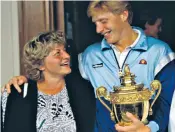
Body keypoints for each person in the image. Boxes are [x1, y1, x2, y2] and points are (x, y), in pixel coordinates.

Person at [2, 1, 175, 132]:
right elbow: (53, 70)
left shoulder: (159, 52)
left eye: (103, 21)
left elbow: (167, 101)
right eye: (95, 23)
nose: (99, 29)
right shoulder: (90, 55)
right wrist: (27, 78)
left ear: (123, 15)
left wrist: (149, 129)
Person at [1, 31, 96, 132]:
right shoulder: (15, 95)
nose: (67, 56)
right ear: (40, 64)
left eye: (64, 50)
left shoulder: (83, 87)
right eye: (58, 53)